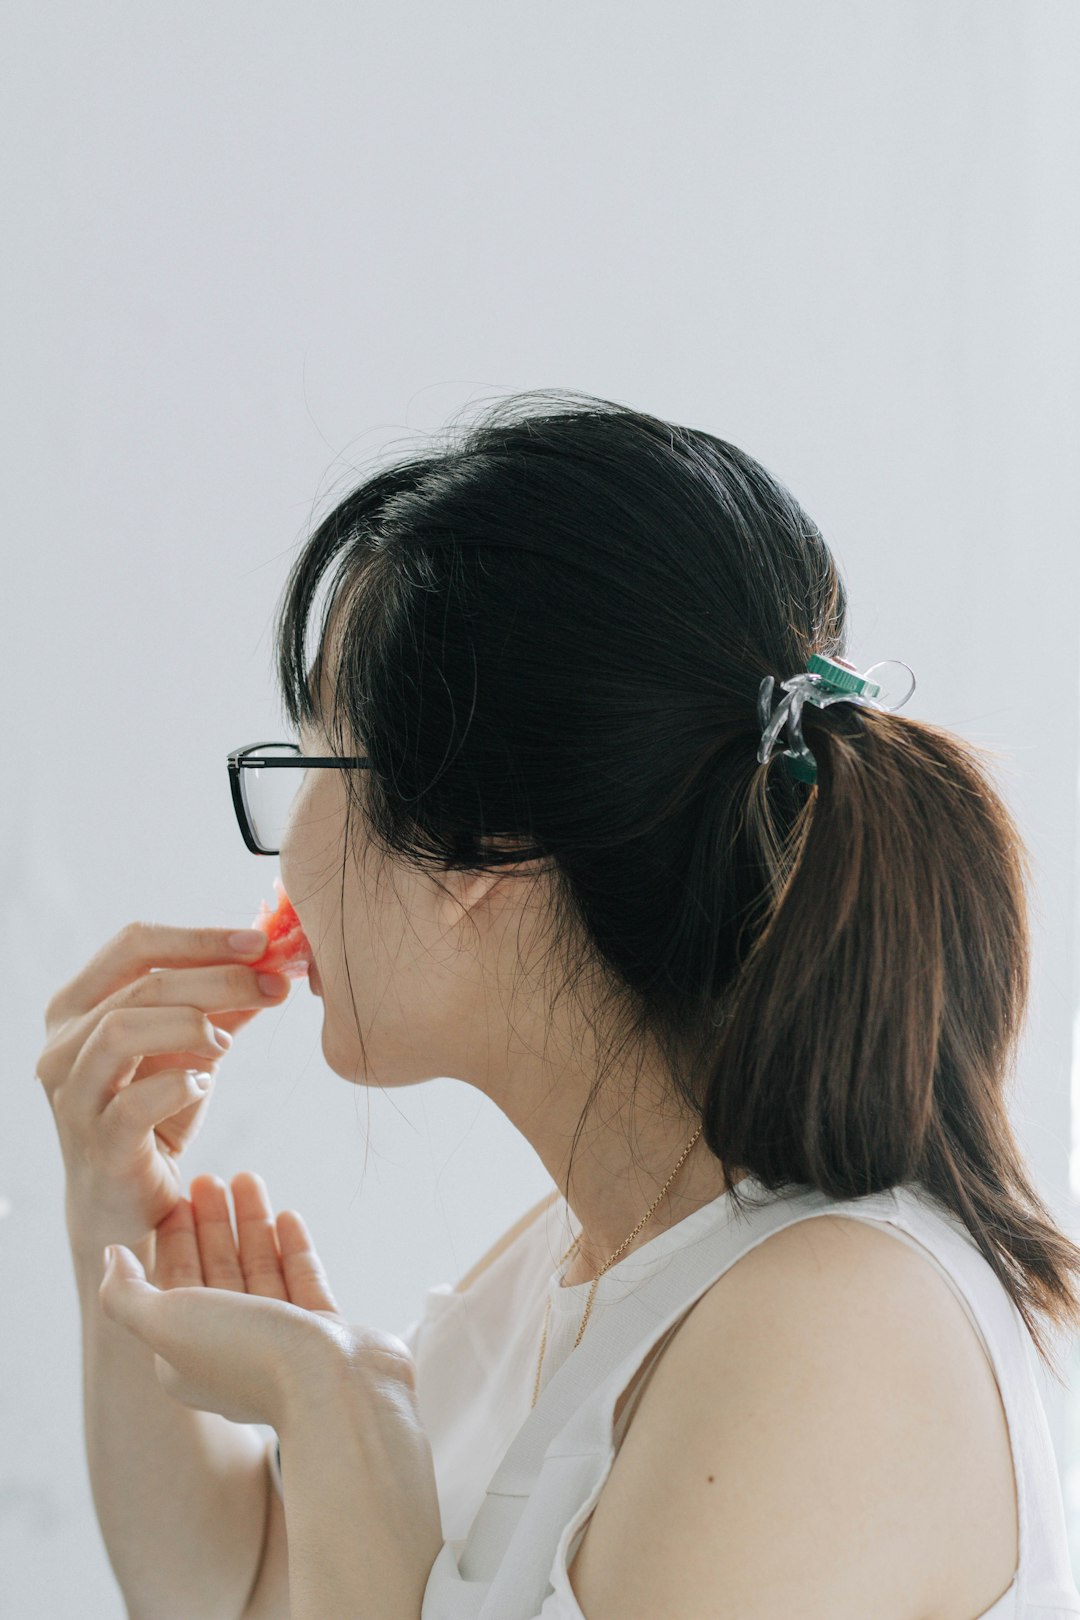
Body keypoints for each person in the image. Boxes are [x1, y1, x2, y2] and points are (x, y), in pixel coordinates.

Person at [39, 388, 1080, 1617]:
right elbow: (236, 1592)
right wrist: (114, 1219)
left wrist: (345, 1415)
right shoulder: (569, 1266)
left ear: (491, 840)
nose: (291, 851)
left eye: (321, 751)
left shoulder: (836, 1332)